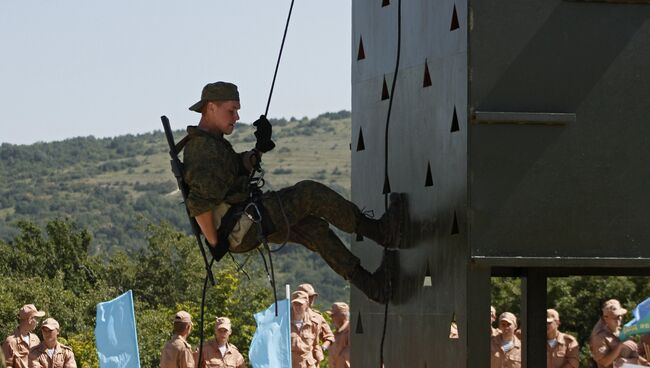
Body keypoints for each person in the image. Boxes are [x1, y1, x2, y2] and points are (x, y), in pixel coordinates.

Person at [182, 81, 407, 303]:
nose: (236, 118)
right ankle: (382, 232)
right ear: (211, 107)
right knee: (309, 193)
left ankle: (374, 287)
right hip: (242, 225)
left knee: (314, 229)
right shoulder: (204, 149)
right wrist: (216, 244)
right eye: (231, 110)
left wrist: (258, 150)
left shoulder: (212, 143)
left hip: (242, 224)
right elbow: (200, 204)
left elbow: (234, 170)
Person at [589, 299, 650, 368]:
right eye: (615, 317)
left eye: (620, 316)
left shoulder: (622, 331)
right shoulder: (599, 337)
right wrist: (620, 346)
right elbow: (604, 362)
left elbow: (633, 354)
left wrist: (644, 363)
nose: (619, 319)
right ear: (605, 318)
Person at [296, 283, 335, 365]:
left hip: (311, 361)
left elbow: (330, 336)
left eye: (313, 297)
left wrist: (322, 347)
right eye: (309, 297)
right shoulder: (288, 316)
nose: (312, 299)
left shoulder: (317, 317)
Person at [2, 304, 46, 368]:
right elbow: (6, 366)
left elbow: (41, 360)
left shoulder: (35, 339)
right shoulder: (10, 342)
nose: (37, 322)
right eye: (36, 318)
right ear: (30, 319)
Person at [290, 291, 320, 368]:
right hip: (291, 364)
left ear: (307, 304)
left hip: (308, 365)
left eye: (300, 304)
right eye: (295, 304)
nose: (297, 307)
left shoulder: (314, 323)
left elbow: (316, 344)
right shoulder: (285, 323)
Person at [327, 302, 350, 368]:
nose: (331, 318)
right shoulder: (336, 333)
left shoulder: (350, 331)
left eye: (333, 315)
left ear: (342, 315)